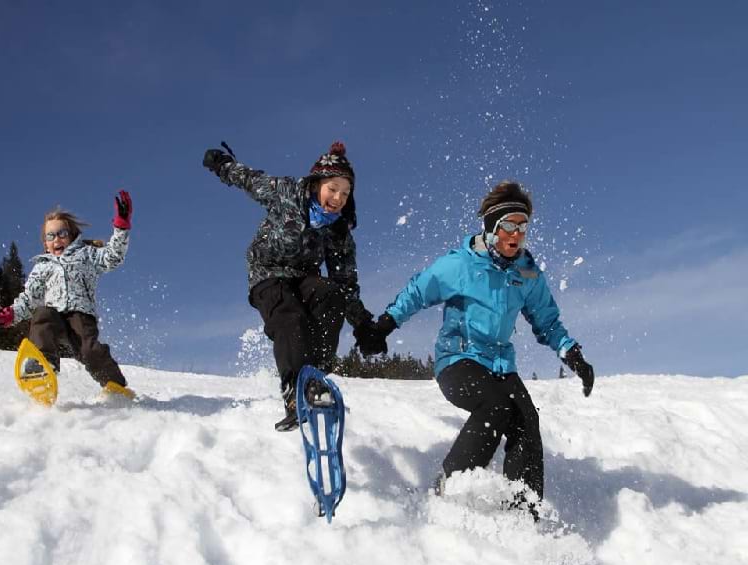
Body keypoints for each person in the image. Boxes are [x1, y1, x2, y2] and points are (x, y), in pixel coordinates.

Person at [355, 181, 594, 517]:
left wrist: (573, 354)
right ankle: (450, 485)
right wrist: (384, 326)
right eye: (509, 226)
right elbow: (417, 292)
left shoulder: (526, 272)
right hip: (458, 360)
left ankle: (522, 511)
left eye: (522, 228)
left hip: (501, 366)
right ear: (491, 227)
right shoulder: (460, 265)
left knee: (526, 421)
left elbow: (547, 322)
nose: (516, 235)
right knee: (495, 406)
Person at [202, 141, 375, 432]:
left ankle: (314, 380)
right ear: (317, 183)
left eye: (345, 193)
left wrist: (362, 324)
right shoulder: (287, 192)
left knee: (331, 295)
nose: (337, 198)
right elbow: (250, 179)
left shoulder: (338, 231)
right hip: (266, 272)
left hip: (304, 276)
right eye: (332, 189)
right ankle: (296, 391)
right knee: (290, 316)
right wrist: (223, 166)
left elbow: (345, 283)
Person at [0, 191, 134, 396]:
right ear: (45, 243)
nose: (57, 239)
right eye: (50, 236)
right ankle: (43, 367)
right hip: (55, 317)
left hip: (80, 316)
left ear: (71, 236)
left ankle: (115, 385)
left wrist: (121, 226)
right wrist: (5, 316)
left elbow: (113, 256)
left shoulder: (86, 255)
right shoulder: (42, 267)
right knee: (42, 314)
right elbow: (28, 300)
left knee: (89, 352)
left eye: (62, 233)